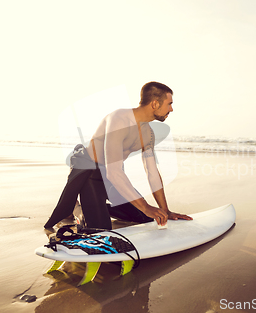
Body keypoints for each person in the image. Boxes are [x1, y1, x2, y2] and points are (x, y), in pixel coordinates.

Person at [44, 82, 192, 230]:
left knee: (145, 217)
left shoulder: (148, 134)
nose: (171, 109)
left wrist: (164, 210)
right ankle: (77, 208)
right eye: (169, 104)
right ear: (155, 104)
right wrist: (146, 206)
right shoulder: (119, 120)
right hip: (91, 171)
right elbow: (113, 172)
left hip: (112, 175)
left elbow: (152, 172)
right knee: (99, 230)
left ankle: (96, 207)